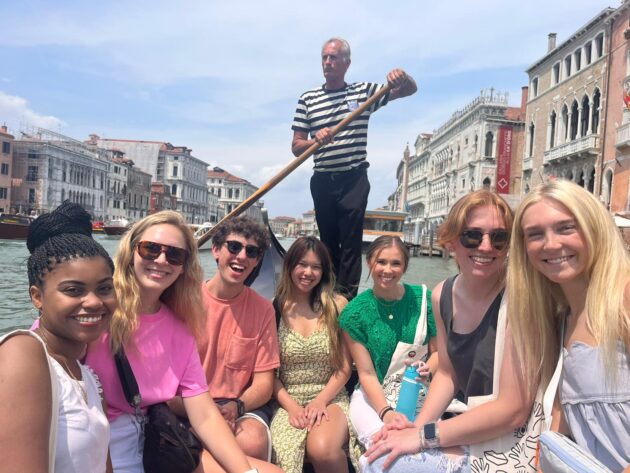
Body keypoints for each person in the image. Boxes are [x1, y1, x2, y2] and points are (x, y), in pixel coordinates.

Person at [362, 191, 538, 473]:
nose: (485, 246)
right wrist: (416, 429)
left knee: (386, 465)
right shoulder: (442, 294)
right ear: (451, 240)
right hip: (471, 420)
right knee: (378, 457)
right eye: (472, 236)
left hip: (513, 436)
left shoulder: (522, 296)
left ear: (509, 245)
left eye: (499, 238)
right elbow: (447, 373)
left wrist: (422, 436)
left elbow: (513, 411)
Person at [85, 211, 263, 473]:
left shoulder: (180, 329)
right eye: (150, 249)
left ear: (183, 266)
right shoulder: (95, 309)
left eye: (174, 254)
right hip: (94, 441)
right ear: (131, 251)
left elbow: (203, 414)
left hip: (154, 441)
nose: (161, 260)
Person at [507, 180, 630, 472]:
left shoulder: (624, 297)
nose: (551, 244)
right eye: (535, 234)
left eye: (565, 228)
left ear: (593, 227)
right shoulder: (562, 318)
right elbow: (565, 415)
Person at [291, 37, 417, 299]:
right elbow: (296, 146)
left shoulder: (364, 92)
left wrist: (402, 77)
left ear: (347, 63)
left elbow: (409, 91)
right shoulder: (308, 99)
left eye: (334, 57)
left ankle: (345, 298)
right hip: (323, 179)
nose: (328, 62)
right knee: (327, 240)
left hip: (353, 178)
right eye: (325, 57)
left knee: (350, 242)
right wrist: (316, 140)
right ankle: (324, 292)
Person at [0, 201, 114, 472]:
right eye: (74, 290)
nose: (94, 302)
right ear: (37, 297)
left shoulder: (88, 376)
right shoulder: (23, 353)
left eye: (105, 288)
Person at [194, 215, 281, 467]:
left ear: (256, 262)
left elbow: (264, 383)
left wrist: (237, 406)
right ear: (215, 251)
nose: (241, 256)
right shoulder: (185, 301)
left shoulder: (264, 310)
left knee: (250, 441)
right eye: (234, 247)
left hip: (240, 405)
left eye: (251, 252)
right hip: (191, 402)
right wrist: (207, 412)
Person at [338, 236, 437, 456]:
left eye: (396, 263)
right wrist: (386, 413)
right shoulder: (354, 314)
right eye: (381, 262)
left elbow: (438, 353)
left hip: (418, 391)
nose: (388, 270)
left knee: (424, 451)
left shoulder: (425, 300)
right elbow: (366, 373)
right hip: (373, 398)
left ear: (405, 267)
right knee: (386, 450)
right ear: (369, 262)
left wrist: (428, 369)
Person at [270, 236, 353, 472]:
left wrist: (320, 400)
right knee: (283, 451)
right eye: (302, 265)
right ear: (290, 266)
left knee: (323, 449)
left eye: (316, 267)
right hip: (288, 400)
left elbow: (345, 367)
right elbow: (269, 373)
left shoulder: (337, 306)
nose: (308, 272)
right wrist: (293, 407)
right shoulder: (273, 309)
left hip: (330, 395)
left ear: (323, 272)